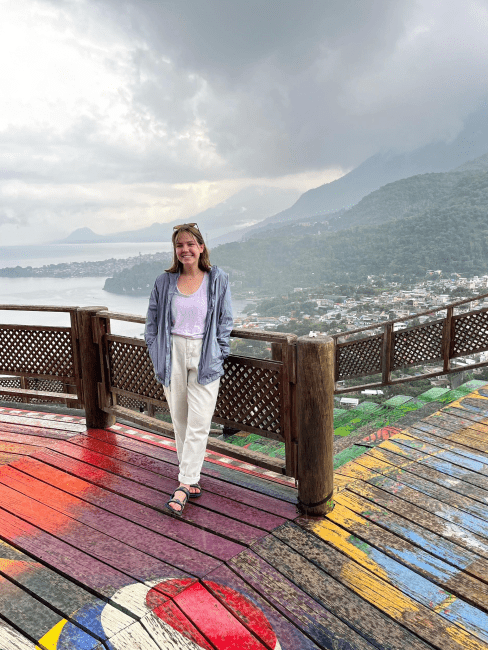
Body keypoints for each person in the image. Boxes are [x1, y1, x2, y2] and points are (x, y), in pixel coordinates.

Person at [145, 223, 233, 517]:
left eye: (190, 244)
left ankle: (183, 484)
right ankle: (192, 479)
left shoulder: (216, 279)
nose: (185, 250)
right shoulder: (164, 281)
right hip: (172, 353)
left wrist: (220, 352)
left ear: (201, 247)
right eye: (180, 245)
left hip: (205, 353)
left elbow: (225, 321)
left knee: (199, 421)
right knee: (180, 419)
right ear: (176, 251)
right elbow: (152, 322)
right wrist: (156, 350)